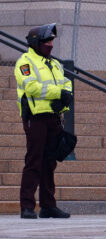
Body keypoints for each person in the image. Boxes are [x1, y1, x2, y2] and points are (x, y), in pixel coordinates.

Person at [15, 23, 73, 219]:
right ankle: (27, 206)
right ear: (36, 43)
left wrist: (64, 102)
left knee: (49, 163)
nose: (50, 44)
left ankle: (48, 206)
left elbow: (66, 84)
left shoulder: (55, 64)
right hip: (35, 118)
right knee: (34, 161)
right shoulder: (25, 62)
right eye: (47, 41)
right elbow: (31, 87)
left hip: (53, 118)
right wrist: (59, 93)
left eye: (51, 41)